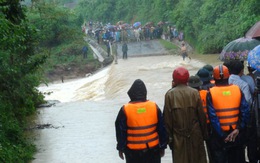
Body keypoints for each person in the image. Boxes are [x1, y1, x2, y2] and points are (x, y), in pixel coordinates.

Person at [115, 79, 168, 163]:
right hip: (153, 150)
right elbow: (162, 128)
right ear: (145, 92)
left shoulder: (125, 109)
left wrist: (120, 148)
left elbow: (121, 132)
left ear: (131, 93)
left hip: (133, 153)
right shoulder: (154, 106)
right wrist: (163, 146)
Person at [163, 67, 208, 163]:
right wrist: (204, 135)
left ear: (174, 79)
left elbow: (167, 120)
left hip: (178, 137)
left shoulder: (169, 95)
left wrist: (169, 139)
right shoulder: (195, 93)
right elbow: (201, 117)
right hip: (196, 135)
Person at [207, 65, 250, 163]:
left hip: (220, 137)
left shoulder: (211, 93)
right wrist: (238, 129)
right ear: (229, 76)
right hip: (236, 135)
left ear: (214, 78)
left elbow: (213, 117)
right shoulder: (237, 90)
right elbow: (245, 111)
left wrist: (223, 135)